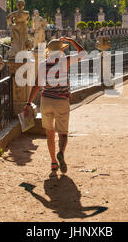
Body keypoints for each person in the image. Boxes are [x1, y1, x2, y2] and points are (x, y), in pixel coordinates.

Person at [24, 37, 86, 173]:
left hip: (46, 101)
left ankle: (53, 162)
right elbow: (83, 53)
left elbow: (36, 86)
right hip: (62, 101)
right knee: (63, 133)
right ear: (61, 51)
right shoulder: (65, 61)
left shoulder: (43, 65)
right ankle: (61, 154)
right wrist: (72, 41)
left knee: (50, 133)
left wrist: (28, 103)